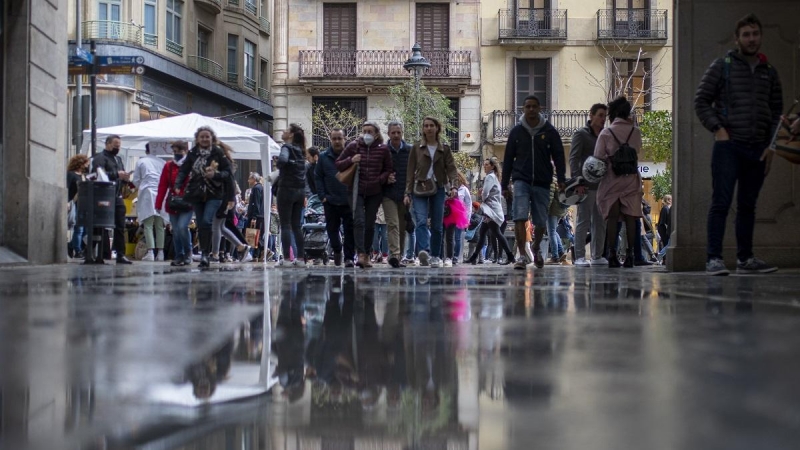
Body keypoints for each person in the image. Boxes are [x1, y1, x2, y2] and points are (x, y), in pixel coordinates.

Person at [695, 13, 782, 275]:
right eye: (746, 34)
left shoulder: (770, 72)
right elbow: (701, 101)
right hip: (729, 146)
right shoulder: (722, 66)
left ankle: (745, 259)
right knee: (721, 202)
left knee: (748, 205)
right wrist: (718, 129)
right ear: (737, 38)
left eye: (755, 33)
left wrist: (772, 147)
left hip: (758, 148)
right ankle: (714, 259)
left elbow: (777, 114)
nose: (752, 39)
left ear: (761, 37)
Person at [501, 95, 566, 270]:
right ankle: (522, 255)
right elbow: (508, 158)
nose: (531, 109)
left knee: (540, 221)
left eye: (534, 106)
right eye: (528, 106)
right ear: (524, 109)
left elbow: (559, 155)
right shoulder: (516, 131)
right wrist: (504, 184)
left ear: (539, 108)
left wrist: (561, 179)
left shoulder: (549, 131)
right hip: (521, 180)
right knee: (520, 217)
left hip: (543, 181)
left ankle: (536, 248)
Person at [594, 96, 643, 268]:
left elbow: (598, 157)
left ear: (613, 113)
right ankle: (630, 255)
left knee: (613, 219)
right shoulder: (635, 132)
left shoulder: (606, 133)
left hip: (612, 179)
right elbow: (637, 151)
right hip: (630, 179)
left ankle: (612, 254)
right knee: (631, 219)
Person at [336, 121, 393, 268]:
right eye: (364, 131)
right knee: (358, 221)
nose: (367, 134)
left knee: (369, 224)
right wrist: (351, 160)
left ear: (376, 134)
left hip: (375, 192)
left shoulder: (383, 149)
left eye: (370, 131)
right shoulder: (353, 146)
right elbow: (338, 163)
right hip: (356, 190)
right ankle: (360, 254)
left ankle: (367, 253)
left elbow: (388, 169)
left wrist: (380, 179)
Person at [174, 126, 233, 268]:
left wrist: (216, 175)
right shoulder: (193, 153)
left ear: (212, 138)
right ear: (197, 139)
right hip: (197, 193)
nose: (205, 139)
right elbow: (184, 169)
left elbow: (228, 172)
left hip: (214, 193)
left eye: (207, 137)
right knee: (201, 224)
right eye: (202, 137)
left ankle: (207, 254)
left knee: (207, 221)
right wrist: (178, 183)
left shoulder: (218, 153)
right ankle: (204, 253)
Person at [405, 116, 458, 268]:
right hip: (419, 188)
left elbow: (452, 169)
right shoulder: (416, 148)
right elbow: (409, 171)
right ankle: (424, 252)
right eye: (425, 126)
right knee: (421, 221)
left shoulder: (444, 148)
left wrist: (454, 186)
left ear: (437, 128)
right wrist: (407, 193)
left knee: (437, 225)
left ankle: (435, 256)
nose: (428, 128)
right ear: (423, 129)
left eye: (431, 125)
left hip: (438, 188)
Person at [570, 103, 608, 266]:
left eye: (604, 116)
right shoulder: (581, 134)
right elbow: (574, 158)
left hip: (603, 186)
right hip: (585, 185)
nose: (602, 119)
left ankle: (597, 256)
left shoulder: (605, 136)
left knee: (600, 222)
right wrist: (577, 180)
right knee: (583, 221)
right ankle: (579, 256)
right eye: (600, 115)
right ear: (591, 115)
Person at [314, 128, 355, 267]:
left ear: (345, 139)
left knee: (350, 230)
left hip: (348, 200)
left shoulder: (351, 156)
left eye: (340, 138)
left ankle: (349, 258)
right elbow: (318, 177)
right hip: (330, 201)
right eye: (334, 138)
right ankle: (337, 250)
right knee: (332, 230)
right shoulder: (324, 157)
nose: (337, 141)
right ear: (330, 140)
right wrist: (322, 196)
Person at [91, 134, 134, 264]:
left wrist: (125, 179)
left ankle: (120, 254)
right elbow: (98, 174)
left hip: (117, 195)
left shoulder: (118, 159)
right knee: (101, 224)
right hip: (104, 195)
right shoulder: (100, 158)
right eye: (115, 145)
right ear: (108, 144)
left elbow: (119, 175)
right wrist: (116, 174)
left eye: (119, 145)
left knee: (120, 225)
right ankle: (99, 253)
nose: (117, 147)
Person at [467, 159, 515, 265]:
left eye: (487, 165)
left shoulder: (489, 177)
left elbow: (485, 193)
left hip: (491, 210)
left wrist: (481, 195)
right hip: (491, 210)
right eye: (484, 165)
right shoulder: (495, 177)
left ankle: (510, 256)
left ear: (492, 166)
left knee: (497, 233)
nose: (485, 166)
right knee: (483, 233)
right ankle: (473, 257)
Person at [210, 143, 252, 263]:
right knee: (221, 227)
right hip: (224, 199)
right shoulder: (224, 163)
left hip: (222, 199)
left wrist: (230, 200)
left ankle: (215, 254)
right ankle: (241, 247)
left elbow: (228, 183)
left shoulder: (222, 164)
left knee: (217, 227)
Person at [155, 141, 193, 266]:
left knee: (182, 227)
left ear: (186, 151)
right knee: (176, 230)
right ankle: (179, 255)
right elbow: (163, 185)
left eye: (179, 152)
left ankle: (188, 253)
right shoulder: (168, 166)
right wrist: (158, 204)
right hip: (173, 203)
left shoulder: (191, 165)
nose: (177, 154)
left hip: (188, 202)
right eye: (175, 152)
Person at [276, 123, 309, 266]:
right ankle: (300, 258)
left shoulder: (286, 147)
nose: (283, 131)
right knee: (296, 226)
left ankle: (287, 259)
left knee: (285, 225)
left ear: (291, 135)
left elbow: (282, 160)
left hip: (286, 190)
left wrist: (280, 164)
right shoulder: (301, 151)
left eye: (286, 130)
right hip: (300, 191)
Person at [382, 121, 412, 268]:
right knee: (392, 224)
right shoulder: (383, 150)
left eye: (398, 132)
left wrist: (409, 192)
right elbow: (378, 171)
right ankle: (394, 255)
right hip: (388, 194)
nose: (396, 135)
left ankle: (398, 257)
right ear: (388, 134)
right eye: (393, 132)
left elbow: (414, 173)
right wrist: (385, 177)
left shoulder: (410, 150)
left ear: (402, 133)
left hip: (405, 194)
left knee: (401, 226)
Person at [132, 143, 166, 261]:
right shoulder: (162, 162)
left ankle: (150, 252)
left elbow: (136, 180)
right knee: (160, 225)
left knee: (148, 225)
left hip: (147, 194)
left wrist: (142, 186)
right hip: (161, 194)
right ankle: (161, 253)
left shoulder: (141, 162)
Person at [444, 172, 472, 266]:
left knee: (457, 238)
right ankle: (449, 256)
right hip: (450, 214)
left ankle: (455, 257)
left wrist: (467, 219)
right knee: (450, 236)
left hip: (460, 216)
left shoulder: (464, 190)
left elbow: (468, 204)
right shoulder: (448, 188)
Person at [67, 154, 90, 259]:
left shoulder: (84, 175)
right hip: (76, 203)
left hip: (84, 204)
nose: (87, 165)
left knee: (84, 229)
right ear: (81, 163)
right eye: (86, 163)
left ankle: (71, 245)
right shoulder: (71, 174)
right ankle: (77, 250)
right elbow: (67, 188)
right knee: (79, 228)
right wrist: (67, 202)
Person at [246, 173, 265, 260]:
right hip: (260, 215)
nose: (248, 181)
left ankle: (264, 249)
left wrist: (254, 217)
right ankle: (256, 255)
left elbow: (256, 203)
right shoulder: (260, 187)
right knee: (257, 235)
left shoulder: (256, 188)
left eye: (249, 179)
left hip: (257, 215)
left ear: (254, 179)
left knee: (255, 235)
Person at [657, 194, 672, 262]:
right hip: (664, 229)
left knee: (668, 243)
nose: (671, 200)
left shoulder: (667, 208)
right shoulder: (665, 208)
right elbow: (664, 221)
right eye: (670, 199)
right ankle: (662, 255)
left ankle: (664, 258)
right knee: (668, 243)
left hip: (664, 228)